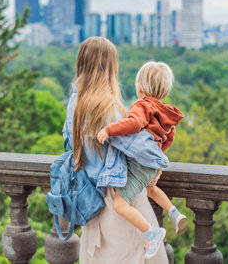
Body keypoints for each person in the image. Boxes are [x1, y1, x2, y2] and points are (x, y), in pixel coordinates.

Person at [63, 37, 169, 263]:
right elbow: (142, 151)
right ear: (110, 67)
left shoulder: (74, 103)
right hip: (118, 201)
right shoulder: (108, 108)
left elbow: (69, 145)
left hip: (91, 200)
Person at [97, 61, 188, 259]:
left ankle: (151, 233)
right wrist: (157, 162)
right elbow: (168, 139)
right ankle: (173, 212)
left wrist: (109, 130)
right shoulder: (166, 114)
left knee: (119, 204)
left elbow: (135, 123)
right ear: (164, 91)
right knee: (151, 189)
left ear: (139, 87)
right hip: (151, 164)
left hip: (139, 164)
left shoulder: (142, 105)